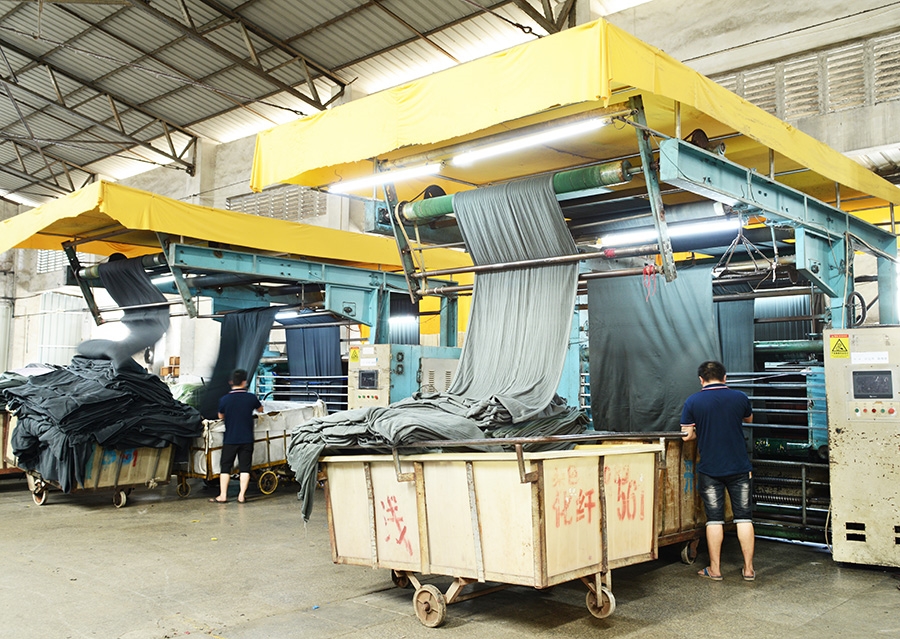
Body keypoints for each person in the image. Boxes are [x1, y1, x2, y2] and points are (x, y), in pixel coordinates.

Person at [680, 360, 755, 581]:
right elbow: (748, 418)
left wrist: (700, 430)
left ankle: (715, 569)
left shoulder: (693, 401)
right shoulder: (740, 397)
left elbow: (687, 436)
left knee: (714, 520)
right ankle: (749, 569)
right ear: (725, 377)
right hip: (740, 467)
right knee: (744, 518)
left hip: (710, 469)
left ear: (701, 379)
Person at [210, 369, 263, 504]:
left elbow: (220, 416)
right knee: (245, 467)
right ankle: (241, 496)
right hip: (247, 438)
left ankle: (223, 495)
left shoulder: (224, 399)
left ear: (231, 382)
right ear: (245, 382)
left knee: (225, 466)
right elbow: (261, 410)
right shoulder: (251, 398)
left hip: (230, 439)